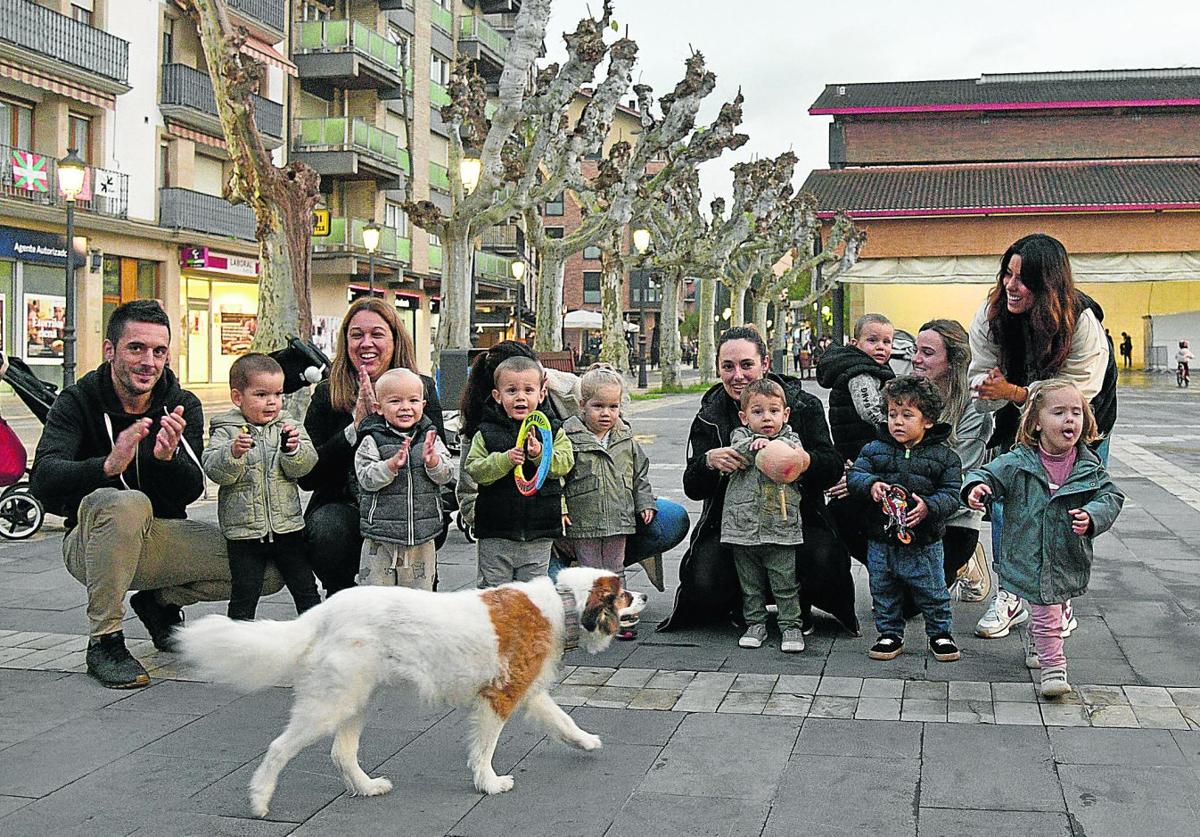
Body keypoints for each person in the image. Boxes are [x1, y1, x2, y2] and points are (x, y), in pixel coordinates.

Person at [30, 300, 283, 689]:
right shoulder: (77, 401)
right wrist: (106, 467)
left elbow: (192, 490)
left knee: (269, 569)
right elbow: (43, 481)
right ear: (110, 350)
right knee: (126, 502)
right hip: (90, 543)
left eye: (159, 351)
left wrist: (166, 460)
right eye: (136, 348)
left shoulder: (182, 404)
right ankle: (105, 641)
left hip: (159, 538)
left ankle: (158, 602)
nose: (149, 361)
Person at [659, 325, 858, 634]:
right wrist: (709, 462)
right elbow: (692, 486)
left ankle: (798, 604)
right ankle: (741, 603)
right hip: (731, 522)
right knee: (704, 577)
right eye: (728, 366)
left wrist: (804, 461)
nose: (737, 375)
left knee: (824, 560)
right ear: (718, 369)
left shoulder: (803, 405)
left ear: (765, 364)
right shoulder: (709, 414)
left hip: (799, 517)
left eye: (746, 365)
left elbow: (831, 466)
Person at [968, 233, 1117, 640]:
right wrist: (988, 384)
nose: (1010, 286)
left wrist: (1015, 392)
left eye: (1023, 279)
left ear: (1049, 284)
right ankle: (1012, 592)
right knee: (1009, 501)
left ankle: (1058, 599)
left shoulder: (1082, 321)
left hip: (1080, 418)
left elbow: (1073, 397)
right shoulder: (992, 313)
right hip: (1018, 420)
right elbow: (978, 375)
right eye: (1007, 274)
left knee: (1065, 510)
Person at [964, 380, 1124, 698]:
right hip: (1026, 553)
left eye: (1076, 413)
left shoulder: (1088, 466)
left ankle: (1043, 646)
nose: (1070, 420)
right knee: (1046, 607)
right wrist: (977, 488)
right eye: (1059, 412)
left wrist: (1093, 514)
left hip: (1066, 553)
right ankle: (1054, 669)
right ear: (1036, 422)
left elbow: (1111, 496)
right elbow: (987, 474)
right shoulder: (1017, 461)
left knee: (1049, 604)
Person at [301, 298, 444, 596]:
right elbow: (307, 475)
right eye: (357, 335)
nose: (367, 343)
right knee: (329, 528)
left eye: (377, 334)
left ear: (394, 340)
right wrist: (354, 429)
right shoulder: (328, 393)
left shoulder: (423, 388)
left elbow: (439, 454)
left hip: (405, 507)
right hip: (345, 508)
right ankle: (342, 599)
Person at [848, 377, 963, 663]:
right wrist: (871, 484)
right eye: (892, 415)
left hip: (924, 542)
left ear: (928, 421)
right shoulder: (874, 449)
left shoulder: (944, 457)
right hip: (882, 539)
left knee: (933, 591)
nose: (897, 422)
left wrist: (929, 507)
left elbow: (952, 493)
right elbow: (856, 476)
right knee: (883, 589)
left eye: (907, 415)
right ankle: (889, 633)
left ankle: (940, 633)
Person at [202, 353, 321, 621]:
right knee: (245, 593)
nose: (272, 402)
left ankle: (316, 634)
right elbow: (213, 469)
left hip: (288, 527)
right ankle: (236, 645)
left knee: (306, 589)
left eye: (278, 394)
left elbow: (306, 465)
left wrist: (293, 451)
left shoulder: (289, 425)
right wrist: (232, 454)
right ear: (237, 397)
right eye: (261, 394)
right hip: (244, 533)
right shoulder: (226, 428)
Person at [463, 355, 575, 587]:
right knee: (493, 593)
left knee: (532, 594)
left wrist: (539, 454)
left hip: (539, 531)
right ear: (497, 396)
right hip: (496, 530)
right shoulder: (486, 432)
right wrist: (505, 460)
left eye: (528, 390)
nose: (520, 397)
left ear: (541, 393)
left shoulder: (553, 430)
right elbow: (474, 468)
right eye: (511, 390)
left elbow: (565, 464)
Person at [562, 367, 655, 639]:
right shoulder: (569, 437)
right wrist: (562, 508)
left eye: (613, 406)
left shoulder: (624, 438)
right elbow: (558, 477)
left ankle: (618, 616)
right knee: (591, 572)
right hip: (584, 517)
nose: (606, 414)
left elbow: (639, 473)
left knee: (615, 570)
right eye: (598, 406)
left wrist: (644, 502)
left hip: (619, 516)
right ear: (582, 406)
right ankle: (594, 620)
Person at [911, 319, 993, 601]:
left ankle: (965, 562)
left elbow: (961, 473)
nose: (916, 359)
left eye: (927, 352)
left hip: (953, 515)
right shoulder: (909, 394)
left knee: (917, 602)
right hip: (912, 507)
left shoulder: (974, 408)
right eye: (915, 350)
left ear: (953, 360)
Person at [723, 378, 807, 653]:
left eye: (773, 411)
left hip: (781, 525)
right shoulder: (739, 437)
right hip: (742, 526)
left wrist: (789, 454)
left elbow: (797, 460)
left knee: (785, 580)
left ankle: (791, 625)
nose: (767, 418)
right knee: (750, 583)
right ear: (744, 416)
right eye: (758, 412)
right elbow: (737, 455)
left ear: (786, 414)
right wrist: (752, 445)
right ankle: (755, 623)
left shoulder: (791, 439)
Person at [354, 368, 454, 589]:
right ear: (379, 408)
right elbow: (365, 477)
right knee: (377, 597)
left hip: (422, 535)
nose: (405, 407)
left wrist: (433, 463)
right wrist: (389, 467)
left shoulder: (430, 436)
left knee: (419, 599)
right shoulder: (372, 438)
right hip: (381, 537)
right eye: (395, 401)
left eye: (413, 400)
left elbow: (447, 474)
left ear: (423, 405)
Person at [818, 313, 897, 564]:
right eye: (873, 340)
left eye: (887, 341)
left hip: (858, 450)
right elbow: (870, 411)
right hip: (859, 451)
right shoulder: (860, 373)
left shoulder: (872, 369)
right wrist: (896, 430)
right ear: (855, 344)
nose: (881, 347)